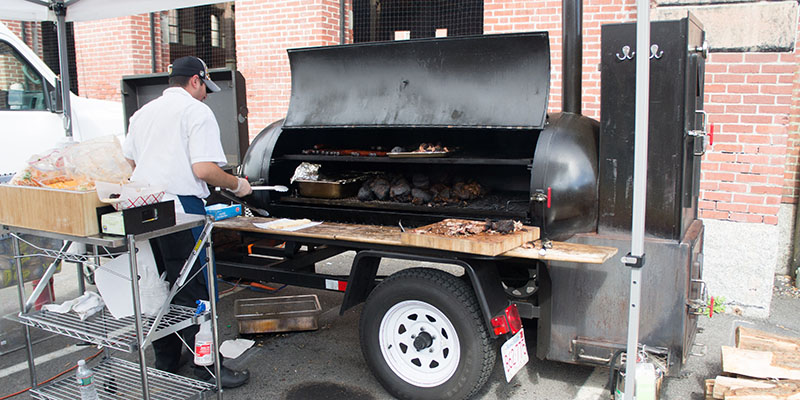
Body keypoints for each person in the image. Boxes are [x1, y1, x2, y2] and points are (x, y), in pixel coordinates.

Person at [122, 56, 251, 388]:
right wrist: (237, 184)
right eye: (204, 87)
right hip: (182, 211)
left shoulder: (142, 114)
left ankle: (165, 359)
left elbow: (130, 162)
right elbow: (203, 170)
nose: (206, 95)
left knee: (158, 285)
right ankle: (207, 368)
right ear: (195, 80)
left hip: (144, 210)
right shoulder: (196, 112)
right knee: (196, 293)